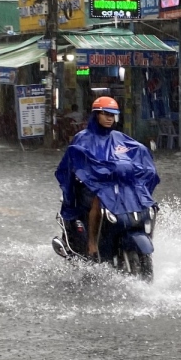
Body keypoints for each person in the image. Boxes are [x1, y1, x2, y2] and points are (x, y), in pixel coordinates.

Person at [55, 97, 159, 258]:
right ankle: (92, 244)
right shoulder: (83, 138)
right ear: (96, 114)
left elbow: (137, 151)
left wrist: (144, 168)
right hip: (92, 186)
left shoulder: (119, 137)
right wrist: (94, 172)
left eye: (113, 115)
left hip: (115, 184)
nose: (110, 118)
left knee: (146, 200)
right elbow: (74, 160)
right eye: (106, 114)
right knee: (98, 199)